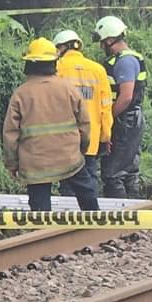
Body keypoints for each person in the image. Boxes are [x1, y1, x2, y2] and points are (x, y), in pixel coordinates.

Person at [2, 38, 99, 211]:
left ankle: (43, 235)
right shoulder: (68, 89)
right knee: (87, 193)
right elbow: (84, 123)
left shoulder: (20, 94)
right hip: (69, 158)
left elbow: (10, 135)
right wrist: (81, 149)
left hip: (35, 165)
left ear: (29, 65)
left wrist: (12, 164)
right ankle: (98, 229)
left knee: (39, 207)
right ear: (54, 62)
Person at [92, 15, 146, 199]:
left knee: (113, 172)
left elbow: (126, 96)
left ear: (109, 39)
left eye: (102, 43)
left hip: (125, 119)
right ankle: (135, 214)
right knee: (129, 170)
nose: (101, 47)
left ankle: (119, 221)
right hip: (130, 118)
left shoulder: (124, 62)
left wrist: (109, 117)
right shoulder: (128, 59)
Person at [53, 29, 113, 191]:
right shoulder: (98, 70)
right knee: (89, 182)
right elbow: (106, 107)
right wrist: (105, 137)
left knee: (67, 183)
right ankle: (90, 213)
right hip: (91, 138)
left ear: (61, 48)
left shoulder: (57, 68)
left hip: (65, 138)